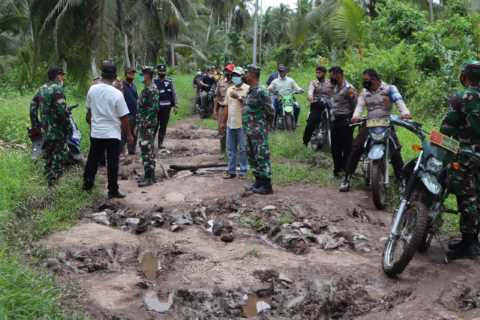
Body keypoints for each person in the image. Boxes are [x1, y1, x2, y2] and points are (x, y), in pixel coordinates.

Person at [339, 69, 411, 192]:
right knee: (356, 147)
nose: (364, 82)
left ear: (375, 79)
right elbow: (360, 106)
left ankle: (402, 181)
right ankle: (347, 178)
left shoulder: (389, 89)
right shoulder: (364, 92)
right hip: (369, 123)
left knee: (395, 150)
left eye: (367, 80)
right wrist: (355, 116)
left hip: (386, 123)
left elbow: (399, 102)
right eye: (364, 80)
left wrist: (405, 113)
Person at [440, 60, 480, 260]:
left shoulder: (461, 97)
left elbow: (446, 129)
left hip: (465, 155)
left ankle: (469, 243)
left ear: (465, 76)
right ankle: (474, 239)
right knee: (477, 197)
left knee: (467, 198)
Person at [83, 60, 133, 199]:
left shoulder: (92, 89)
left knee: (92, 160)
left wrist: (92, 125)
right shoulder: (117, 94)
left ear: (102, 74)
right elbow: (124, 117)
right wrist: (129, 135)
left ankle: (87, 186)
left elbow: (89, 112)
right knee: (113, 163)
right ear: (114, 76)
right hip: (112, 134)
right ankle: (112, 190)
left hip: (97, 132)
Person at [30, 67, 72, 186]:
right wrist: (68, 126)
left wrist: (35, 125)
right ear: (57, 76)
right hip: (57, 129)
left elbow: (32, 108)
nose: (63, 78)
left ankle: (48, 180)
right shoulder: (57, 89)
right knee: (59, 154)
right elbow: (62, 111)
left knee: (48, 154)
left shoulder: (41, 89)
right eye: (62, 75)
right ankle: (53, 184)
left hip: (45, 129)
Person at [244, 65, 275, 194]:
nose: (245, 75)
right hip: (249, 130)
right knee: (252, 155)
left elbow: (271, 111)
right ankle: (258, 181)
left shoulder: (262, 91)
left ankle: (267, 185)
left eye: (247, 73)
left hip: (258, 130)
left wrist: (266, 126)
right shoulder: (250, 91)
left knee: (261, 156)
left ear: (252, 75)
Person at [329, 66, 357, 177]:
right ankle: (337, 170)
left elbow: (355, 105)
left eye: (332, 76)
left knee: (347, 146)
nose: (331, 78)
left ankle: (346, 169)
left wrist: (353, 119)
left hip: (346, 120)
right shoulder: (335, 87)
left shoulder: (349, 88)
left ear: (339, 75)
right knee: (335, 147)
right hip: (334, 120)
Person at [223, 67, 250, 179]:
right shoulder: (229, 89)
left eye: (237, 75)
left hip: (242, 124)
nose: (235, 77)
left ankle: (243, 170)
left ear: (242, 76)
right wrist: (223, 122)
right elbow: (226, 106)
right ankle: (232, 170)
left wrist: (239, 98)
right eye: (234, 75)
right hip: (231, 123)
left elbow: (249, 105)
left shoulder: (248, 89)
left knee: (243, 148)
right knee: (231, 149)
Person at [137, 66, 160, 187]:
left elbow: (154, 108)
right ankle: (149, 175)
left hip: (147, 125)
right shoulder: (147, 88)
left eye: (143, 74)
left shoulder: (151, 89)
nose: (141, 76)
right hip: (144, 123)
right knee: (147, 149)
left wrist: (145, 121)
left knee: (147, 150)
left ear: (147, 75)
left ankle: (149, 177)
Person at [302, 65, 334, 147]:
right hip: (317, 105)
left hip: (329, 105)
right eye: (316, 72)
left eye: (319, 73)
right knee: (310, 123)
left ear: (324, 73)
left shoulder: (330, 82)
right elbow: (310, 91)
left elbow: (337, 90)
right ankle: (305, 141)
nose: (317, 74)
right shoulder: (314, 82)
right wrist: (310, 96)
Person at [153, 64, 177, 149]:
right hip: (156, 108)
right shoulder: (154, 81)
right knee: (155, 125)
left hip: (167, 108)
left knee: (163, 126)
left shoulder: (169, 81)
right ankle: (151, 143)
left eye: (163, 72)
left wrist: (175, 106)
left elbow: (173, 93)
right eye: (160, 71)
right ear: (157, 72)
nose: (162, 73)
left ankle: (160, 143)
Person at [214, 64, 235, 154]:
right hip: (222, 108)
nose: (227, 72)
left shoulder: (236, 83)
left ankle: (232, 150)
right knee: (221, 129)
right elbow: (216, 96)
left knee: (233, 129)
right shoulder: (220, 82)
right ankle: (223, 151)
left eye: (229, 71)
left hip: (233, 108)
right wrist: (215, 110)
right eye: (226, 70)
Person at [121, 66, 139, 155]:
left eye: (133, 74)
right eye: (130, 73)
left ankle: (132, 151)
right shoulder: (122, 86)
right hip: (125, 114)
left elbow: (136, 99)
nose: (132, 75)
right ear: (126, 74)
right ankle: (120, 152)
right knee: (124, 134)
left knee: (134, 134)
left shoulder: (134, 86)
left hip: (134, 114)